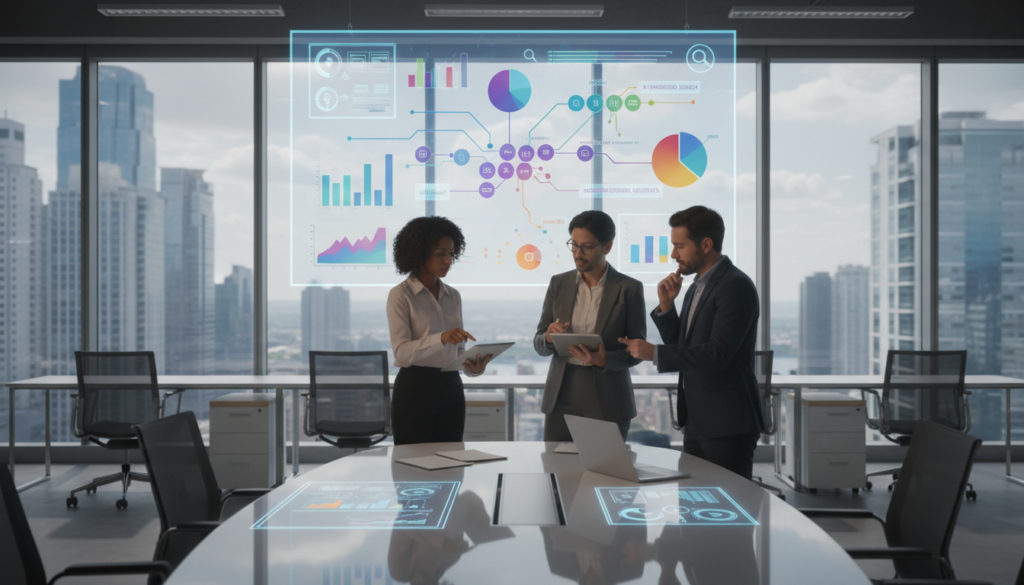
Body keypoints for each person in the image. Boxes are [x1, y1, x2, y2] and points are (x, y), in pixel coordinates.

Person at [618, 206, 765, 480]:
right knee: (693, 506)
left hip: (727, 423)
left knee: (729, 510)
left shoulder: (735, 286)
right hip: (697, 420)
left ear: (706, 245)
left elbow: (717, 354)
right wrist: (665, 308)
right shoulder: (697, 287)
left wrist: (654, 353)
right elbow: (683, 346)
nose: (673, 254)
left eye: (679, 246)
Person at [533, 210, 646, 441]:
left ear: (607, 247)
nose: (578, 253)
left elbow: (637, 351)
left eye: (587, 247)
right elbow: (538, 343)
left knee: (603, 473)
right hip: (561, 392)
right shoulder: (558, 283)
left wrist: (605, 360)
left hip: (608, 395)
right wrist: (548, 338)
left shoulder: (629, 289)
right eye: (574, 245)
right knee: (558, 470)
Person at [386, 216, 491, 445]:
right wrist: (441, 338)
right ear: (419, 252)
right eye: (440, 253)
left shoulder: (453, 296)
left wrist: (474, 367)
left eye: (451, 253)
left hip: (451, 388)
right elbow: (401, 353)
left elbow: (458, 350)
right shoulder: (400, 295)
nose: (448, 260)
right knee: (413, 469)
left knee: (452, 463)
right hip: (414, 389)